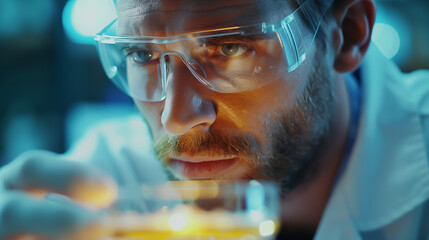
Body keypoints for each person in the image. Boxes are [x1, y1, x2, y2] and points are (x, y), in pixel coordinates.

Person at [1, 0, 428, 239]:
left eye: (229, 48)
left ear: (348, 32)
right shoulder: (110, 186)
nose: (175, 118)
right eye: (143, 55)